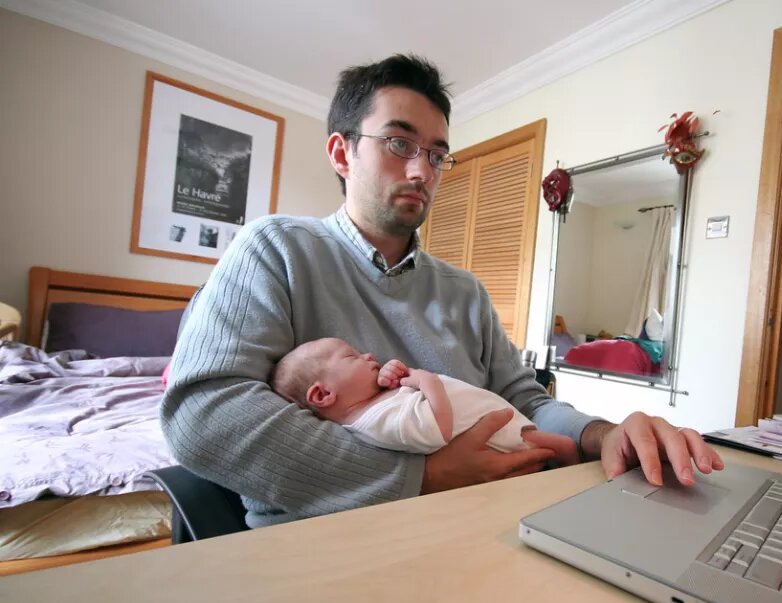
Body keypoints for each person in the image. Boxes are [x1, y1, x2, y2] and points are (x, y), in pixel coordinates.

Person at [161, 54, 723, 528]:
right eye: (398, 143)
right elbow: (204, 415)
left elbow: (525, 404)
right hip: (329, 543)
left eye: (435, 154)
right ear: (341, 153)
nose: (422, 171)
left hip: (487, 524)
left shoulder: (464, 292)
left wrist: (605, 433)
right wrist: (420, 479)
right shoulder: (276, 249)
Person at [269, 337, 580, 465]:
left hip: (498, 415)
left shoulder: (374, 403)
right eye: (351, 356)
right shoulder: (374, 423)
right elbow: (436, 430)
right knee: (561, 447)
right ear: (323, 395)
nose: (366, 355)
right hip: (499, 433)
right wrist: (426, 380)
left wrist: (395, 377)